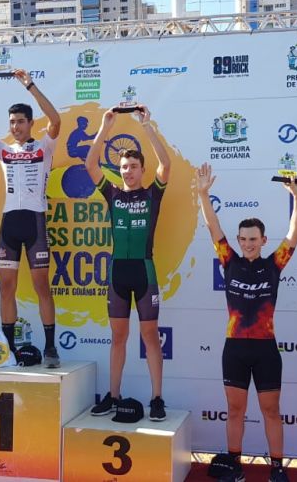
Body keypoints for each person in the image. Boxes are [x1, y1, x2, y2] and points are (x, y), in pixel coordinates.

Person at [197, 163, 297, 482]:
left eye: (253, 239)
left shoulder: (273, 265)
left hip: (265, 349)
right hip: (235, 348)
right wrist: (203, 194)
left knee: (271, 410)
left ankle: (278, 469)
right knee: (235, 411)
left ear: (263, 239)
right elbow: (213, 226)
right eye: (243, 239)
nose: (247, 243)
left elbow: (295, 233)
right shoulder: (229, 261)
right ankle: (235, 467)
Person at [0, 69, 62, 368]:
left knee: (41, 286)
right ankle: (6, 349)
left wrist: (29, 85)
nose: (16, 126)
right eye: (12, 122)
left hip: (35, 223)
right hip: (10, 223)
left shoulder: (44, 147)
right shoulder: (4, 150)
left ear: (31, 123)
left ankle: (50, 347)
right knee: (6, 287)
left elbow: (56, 120)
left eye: (20, 121)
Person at [85, 107, 170, 422]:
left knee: (150, 335)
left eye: (134, 166)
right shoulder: (113, 194)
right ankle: (113, 395)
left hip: (144, 271)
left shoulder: (152, 195)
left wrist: (147, 126)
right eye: (124, 167)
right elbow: (90, 164)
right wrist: (105, 128)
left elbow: (166, 164)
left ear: (142, 169)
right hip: (118, 272)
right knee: (118, 337)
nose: (128, 171)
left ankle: (157, 398)